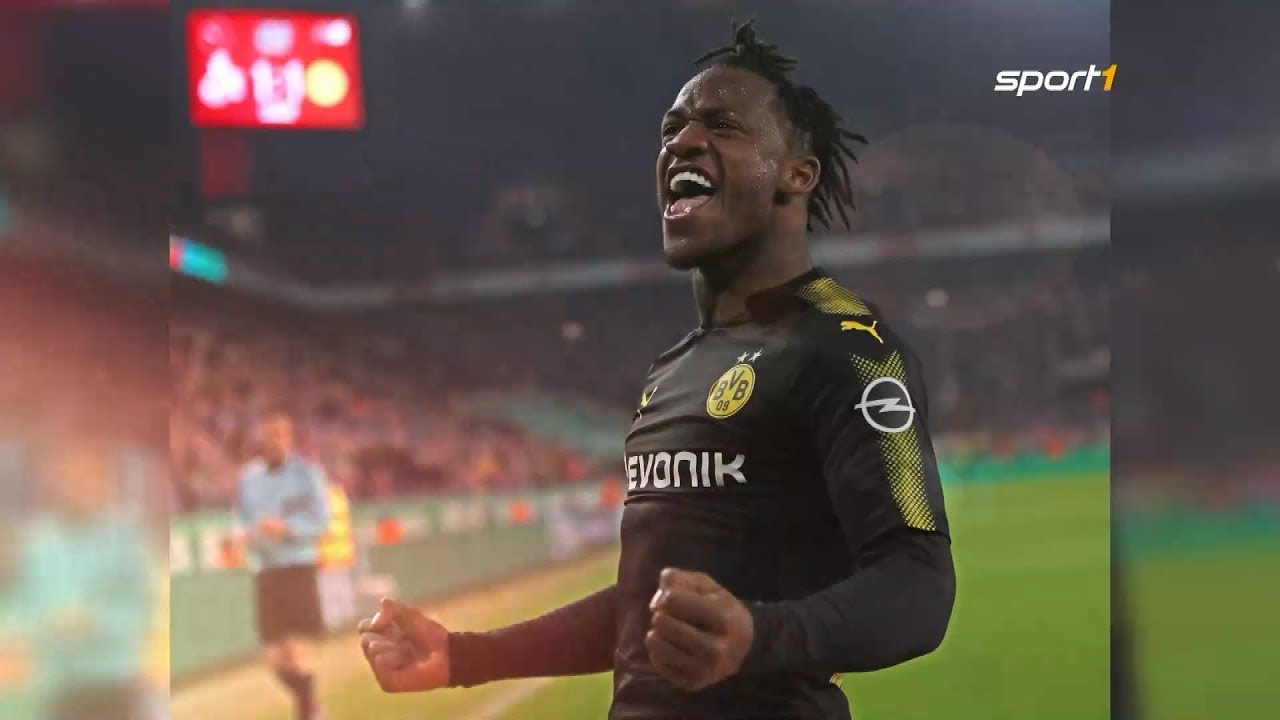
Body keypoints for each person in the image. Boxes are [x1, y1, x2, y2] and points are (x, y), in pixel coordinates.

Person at [358, 20, 955, 719]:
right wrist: (466, 657)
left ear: (798, 172)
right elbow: (645, 604)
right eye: (673, 129)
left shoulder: (848, 346)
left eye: (722, 125)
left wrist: (758, 636)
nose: (683, 142)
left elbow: (918, 584)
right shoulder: (674, 370)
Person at [1, 442, 156, 720]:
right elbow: (17, 610)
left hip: (112, 683)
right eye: (70, 478)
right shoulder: (37, 542)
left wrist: (96, 620)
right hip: (58, 687)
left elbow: (142, 610)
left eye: (88, 477)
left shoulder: (124, 539)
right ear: (57, 483)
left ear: (102, 483)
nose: (78, 487)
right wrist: (46, 622)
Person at [236, 411, 332, 720]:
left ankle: (306, 713)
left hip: (297, 567)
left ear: (289, 438)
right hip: (266, 570)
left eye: (279, 434)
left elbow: (322, 522)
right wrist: (244, 535)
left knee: (298, 650)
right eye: (268, 435)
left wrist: (287, 528)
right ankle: (312, 706)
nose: (273, 441)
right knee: (273, 657)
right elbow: (240, 521)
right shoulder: (248, 478)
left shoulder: (307, 474)